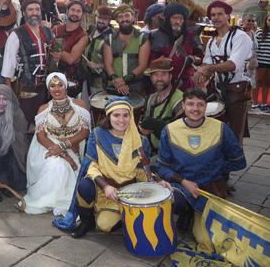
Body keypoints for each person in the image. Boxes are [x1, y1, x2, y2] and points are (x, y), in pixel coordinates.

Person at [70, 98, 169, 238]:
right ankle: (87, 222)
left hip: (129, 192)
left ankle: (126, 214)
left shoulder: (140, 140)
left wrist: (155, 182)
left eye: (125, 115)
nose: (121, 120)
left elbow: (142, 170)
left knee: (105, 226)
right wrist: (105, 186)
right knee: (84, 186)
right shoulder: (97, 135)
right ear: (108, 116)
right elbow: (92, 166)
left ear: (131, 116)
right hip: (103, 188)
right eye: (116, 115)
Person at [154, 88, 246, 230]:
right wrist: (184, 181)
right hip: (181, 185)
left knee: (204, 237)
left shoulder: (220, 128)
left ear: (206, 107)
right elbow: (162, 166)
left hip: (210, 186)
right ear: (183, 106)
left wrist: (215, 173)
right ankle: (186, 211)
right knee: (172, 201)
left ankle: (197, 213)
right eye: (190, 104)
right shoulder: (170, 130)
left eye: (200, 104)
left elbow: (238, 160)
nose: (195, 109)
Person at [24, 73, 90, 215]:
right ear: (48, 89)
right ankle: (51, 201)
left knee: (69, 170)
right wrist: (60, 152)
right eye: (52, 86)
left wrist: (63, 146)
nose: (57, 89)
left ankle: (61, 202)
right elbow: (41, 136)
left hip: (71, 146)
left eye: (60, 85)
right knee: (57, 165)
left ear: (66, 86)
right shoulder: (43, 108)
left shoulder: (79, 105)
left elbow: (85, 132)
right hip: (46, 146)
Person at [193, 0, 254, 145]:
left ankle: (234, 162)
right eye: (213, 15)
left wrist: (208, 68)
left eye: (220, 14)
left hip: (237, 90)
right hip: (218, 90)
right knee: (216, 131)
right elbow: (207, 64)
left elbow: (233, 65)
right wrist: (200, 73)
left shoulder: (240, 37)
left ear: (228, 16)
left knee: (234, 133)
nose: (216, 18)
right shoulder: (212, 41)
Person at [2, 0, 55, 127]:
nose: (34, 12)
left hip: (46, 91)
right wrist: (10, 99)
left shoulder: (48, 33)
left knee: (43, 126)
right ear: (24, 13)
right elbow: (7, 70)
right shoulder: (16, 35)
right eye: (30, 9)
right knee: (22, 128)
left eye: (37, 9)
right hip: (24, 91)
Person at [148, 3, 202, 91]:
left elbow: (200, 56)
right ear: (167, 19)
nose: (177, 21)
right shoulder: (154, 36)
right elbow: (147, 62)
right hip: (161, 83)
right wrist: (158, 61)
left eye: (181, 18)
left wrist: (196, 60)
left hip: (185, 83)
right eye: (174, 18)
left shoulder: (192, 35)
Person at [103, 5, 150, 98]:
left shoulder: (142, 38)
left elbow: (143, 65)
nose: (124, 19)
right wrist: (116, 80)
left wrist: (124, 80)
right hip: (114, 86)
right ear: (116, 20)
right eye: (120, 17)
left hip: (135, 87)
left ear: (133, 18)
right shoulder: (109, 39)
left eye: (127, 15)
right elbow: (108, 63)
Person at [138, 57, 183, 154]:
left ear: (170, 76)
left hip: (173, 153)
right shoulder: (150, 98)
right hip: (152, 151)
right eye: (155, 75)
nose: (159, 79)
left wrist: (155, 126)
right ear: (151, 77)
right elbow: (142, 122)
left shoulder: (180, 99)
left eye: (163, 74)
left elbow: (180, 132)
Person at [52, 0, 89, 98]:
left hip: (71, 79)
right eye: (72, 10)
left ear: (82, 14)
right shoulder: (56, 29)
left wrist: (57, 50)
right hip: (53, 76)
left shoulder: (83, 36)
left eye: (78, 11)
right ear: (67, 11)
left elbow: (71, 59)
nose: (75, 13)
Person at [84, 5, 114, 92]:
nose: (101, 21)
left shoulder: (112, 37)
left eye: (105, 19)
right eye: (99, 18)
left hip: (101, 81)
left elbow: (116, 62)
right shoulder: (92, 30)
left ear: (109, 20)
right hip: (87, 77)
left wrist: (97, 65)